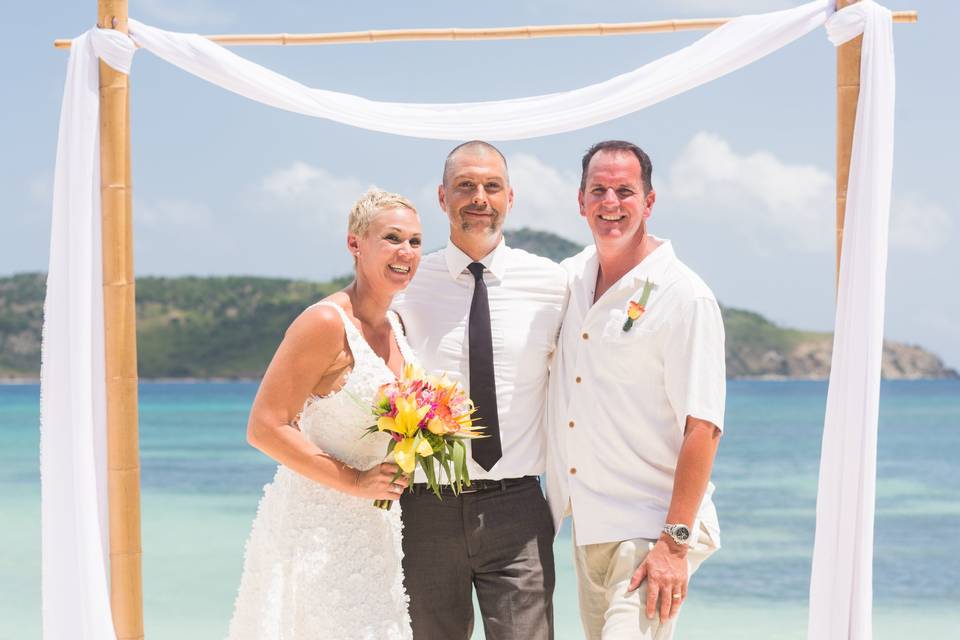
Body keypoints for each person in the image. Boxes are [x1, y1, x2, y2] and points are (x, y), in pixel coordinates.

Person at [546, 140, 725, 640]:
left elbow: (704, 425)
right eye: (598, 190)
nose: (610, 202)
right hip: (589, 528)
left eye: (625, 190)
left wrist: (674, 543)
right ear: (580, 201)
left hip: (653, 532)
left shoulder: (685, 296)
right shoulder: (570, 278)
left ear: (648, 202)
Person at [227, 188, 423, 640]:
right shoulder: (325, 323)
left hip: (376, 530)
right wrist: (354, 482)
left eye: (414, 241)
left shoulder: (395, 325)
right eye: (392, 238)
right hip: (317, 529)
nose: (406, 252)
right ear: (355, 244)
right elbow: (264, 427)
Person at [392, 141, 567, 640]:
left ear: (510, 196)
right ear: (442, 196)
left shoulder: (553, 284)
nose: (479, 197)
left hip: (519, 507)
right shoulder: (404, 281)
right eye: (465, 186)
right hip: (425, 505)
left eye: (491, 186)